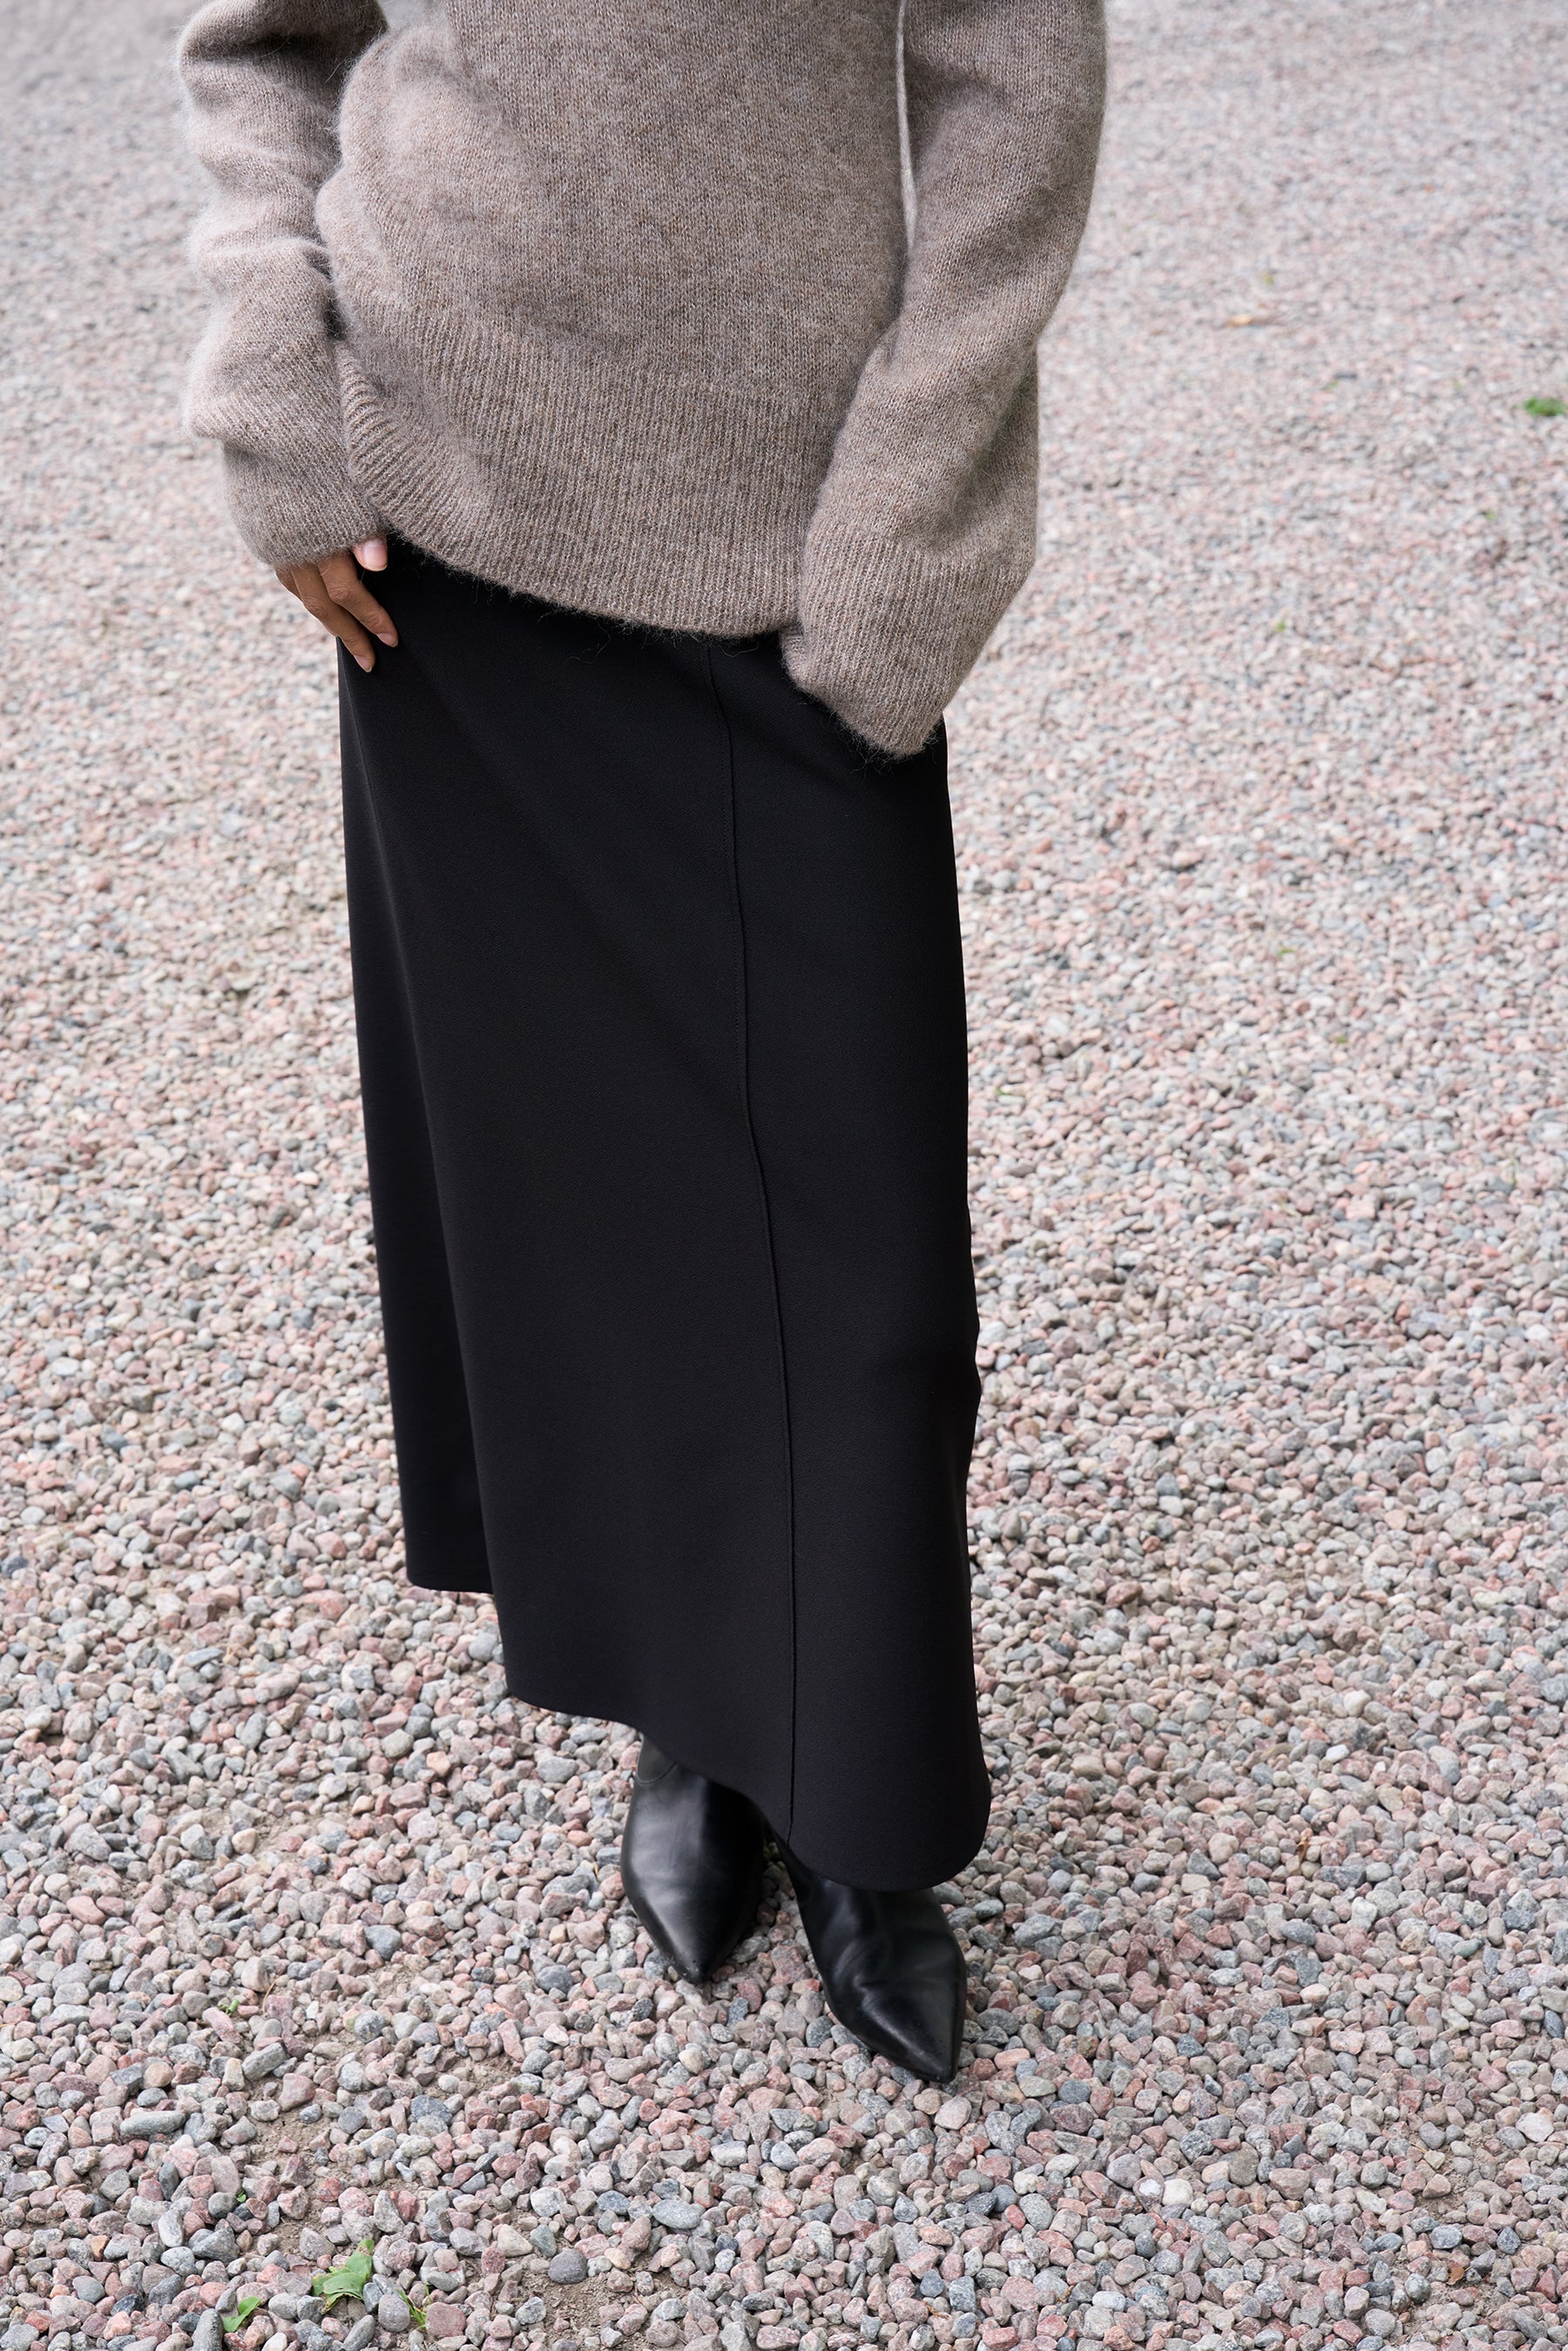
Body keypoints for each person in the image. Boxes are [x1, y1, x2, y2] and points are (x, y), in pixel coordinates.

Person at [179, 0, 1105, 2083]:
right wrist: (276, 382)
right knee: (585, 1201)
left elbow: (1018, 84)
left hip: (791, 553)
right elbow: (265, 43)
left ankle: (860, 1800)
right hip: (439, 544)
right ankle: (695, 1716)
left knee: (859, 1258)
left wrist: (907, 536)